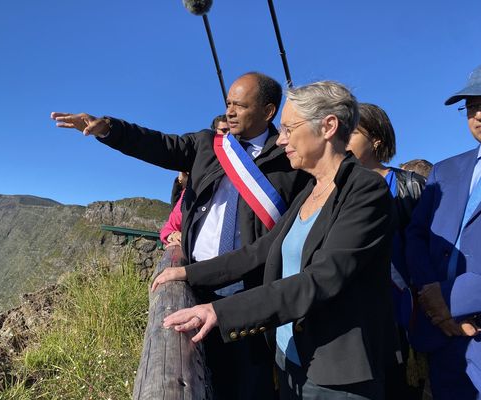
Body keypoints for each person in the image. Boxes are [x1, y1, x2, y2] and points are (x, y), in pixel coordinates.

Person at [51, 72, 310, 400]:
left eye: (240, 106)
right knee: (199, 375)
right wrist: (108, 128)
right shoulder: (208, 144)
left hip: (251, 292)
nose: (229, 112)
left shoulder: (289, 160)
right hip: (198, 284)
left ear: (268, 112)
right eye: (228, 103)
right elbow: (158, 144)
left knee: (249, 383)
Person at [153, 81, 396, 399]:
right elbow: (259, 252)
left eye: (288, 129)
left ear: (328, 126)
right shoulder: (310, 190)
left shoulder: (364, 190)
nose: (280, 140)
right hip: (290, 359)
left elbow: (321, 279)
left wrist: (220, 313)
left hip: (335, 375)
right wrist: (186, 272)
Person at [406, 65, 481, 399]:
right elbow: (416, 235)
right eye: (472, 105)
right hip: (443, 334)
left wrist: (451, 300)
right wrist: (431, 297)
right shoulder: (445, 170)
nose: (478, 113)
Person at [347, 103, 427, 398]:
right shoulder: (330, 191)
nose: (342, 140)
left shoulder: (411, 186)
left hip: (404, 311)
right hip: (355, 315)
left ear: (376, 140)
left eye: (352, 132)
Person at [161, 116, 229, 247]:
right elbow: (170, 227)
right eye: (224, 131)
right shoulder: (192, 189)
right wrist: (172, 235)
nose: (228, 136)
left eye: (232, 132)